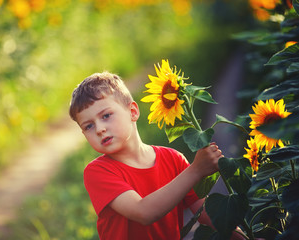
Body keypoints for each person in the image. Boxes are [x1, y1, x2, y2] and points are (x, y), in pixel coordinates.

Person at [69, 71, 243, 240]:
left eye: (106, 115)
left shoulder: (173, 158)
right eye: (88, 126)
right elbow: (144, 213)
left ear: (133, 112)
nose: (99, 129)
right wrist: (196, 171)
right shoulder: (98, 172)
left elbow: (206, 213)